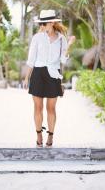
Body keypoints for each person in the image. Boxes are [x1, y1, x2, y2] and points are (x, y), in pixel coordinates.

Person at [23, 9, 75, 147]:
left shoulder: (61, 39)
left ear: (52, 23)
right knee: (37, 107)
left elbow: (63, 60)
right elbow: (31, 60)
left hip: (54, 74)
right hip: (38, 74)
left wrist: (69, 45)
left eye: (44, 23)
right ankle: (39, 134)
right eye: (41, 23)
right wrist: (26, 78)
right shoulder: (37, 38)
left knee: (51, 108)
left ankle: (50, 136)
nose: (42, 26)